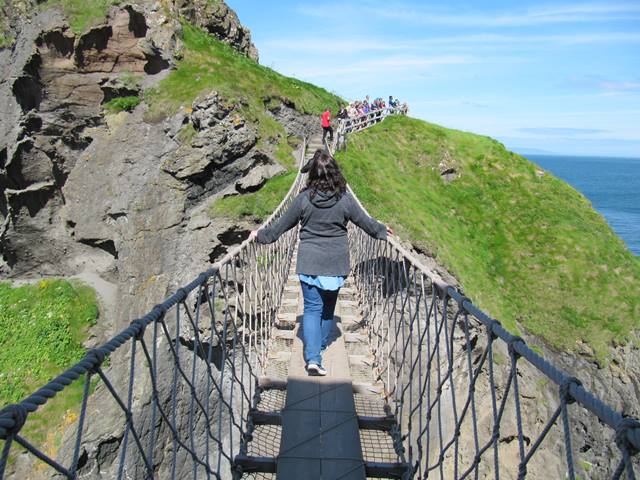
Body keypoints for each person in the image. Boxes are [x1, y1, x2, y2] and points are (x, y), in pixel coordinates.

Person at [251, 150, 393, 376]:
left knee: (311, 309)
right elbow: (366, 224)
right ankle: (320, 344)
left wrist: (260, 236)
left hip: (309, 261)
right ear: (335, 173)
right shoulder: (345, 199)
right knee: (328, 310)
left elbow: (279, 227)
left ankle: (313, 358)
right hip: (336, 264)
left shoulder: (303, 199)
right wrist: (382, 231)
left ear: (312, 175)